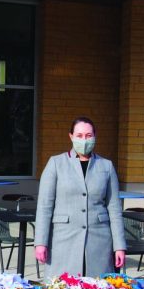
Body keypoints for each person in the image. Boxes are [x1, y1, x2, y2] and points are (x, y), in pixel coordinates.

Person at [33, 116, 126, 278]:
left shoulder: (106, 166)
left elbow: (114, 209)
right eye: (80, 135)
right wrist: (40, 242)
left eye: (88, 136)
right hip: (63, 240)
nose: (84, 140)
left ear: (95, 136)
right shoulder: (55, 163)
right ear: (71, 136)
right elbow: (44, 207)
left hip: (98, 242)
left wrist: (119, 246)